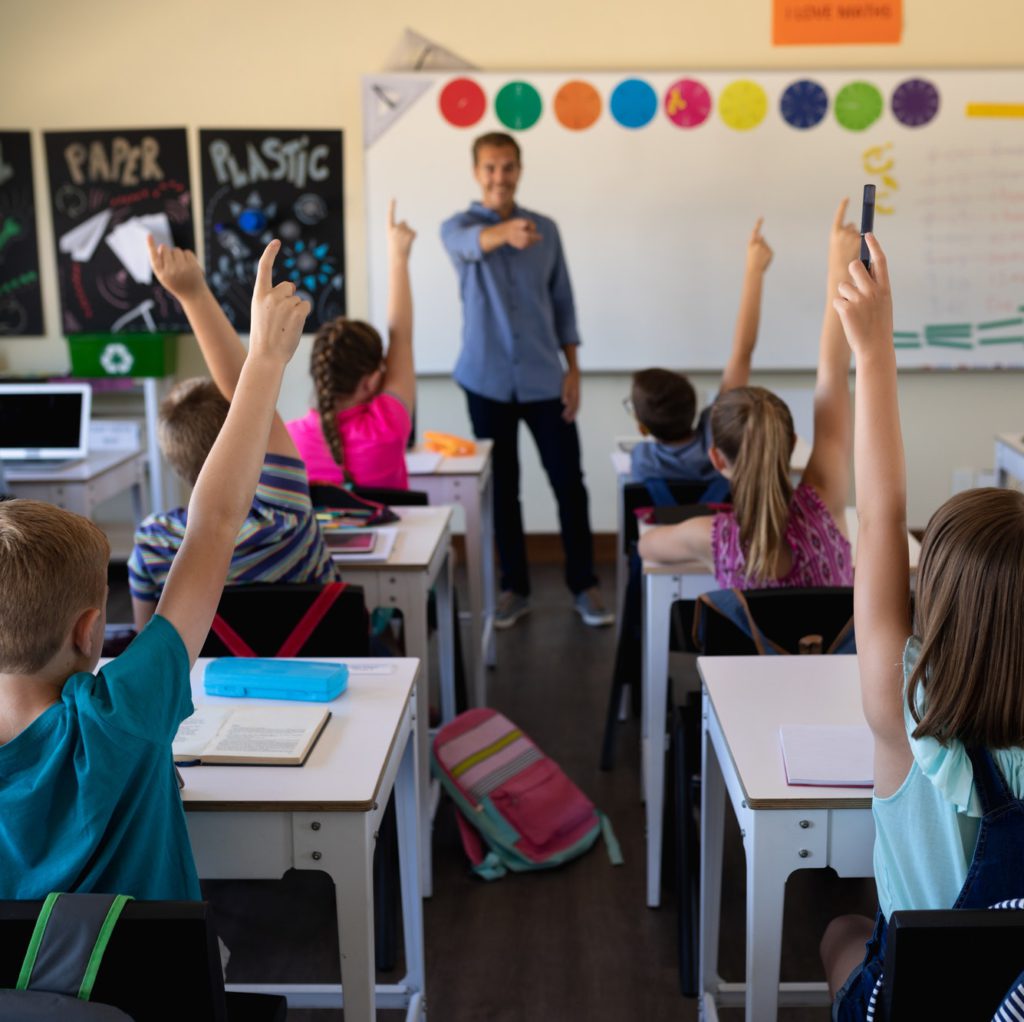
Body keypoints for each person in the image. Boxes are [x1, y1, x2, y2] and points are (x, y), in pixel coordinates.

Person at [0, 241, 309, 899]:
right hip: (155, 990)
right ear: (90, 631)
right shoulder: (124, 715)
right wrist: (265, 361)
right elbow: (215, 523)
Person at [820, 232, 1024, 1017]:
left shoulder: (905, 712)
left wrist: (873, 351)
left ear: (930, 589)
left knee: (841, 930)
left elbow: (878, 520)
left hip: (922, 1009)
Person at [638, 199, 860, 590]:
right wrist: (840, 268)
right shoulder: (825, 502)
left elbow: (646, 547)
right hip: (840, 654)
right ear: (791, 445)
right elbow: (833, 373)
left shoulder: (712, 537)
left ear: (716, 457)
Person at [441, 131, 612, 629]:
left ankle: (585, 585)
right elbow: (469, 243)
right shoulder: (457, 226)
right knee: (503, 490)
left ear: (519, 170)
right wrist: (504, 233)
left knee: (569, 485)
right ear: (477, 172)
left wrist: (573, 368)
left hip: (544, 377)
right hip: (485, 380)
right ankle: (515, 587)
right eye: (490, 167)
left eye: (508, 167)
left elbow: (563, 302)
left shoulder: (547, 231)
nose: (499, 176)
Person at [128, 237, 337, 631]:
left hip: (208, 693)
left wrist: (189, 293)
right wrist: (194, 293)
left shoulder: (153, 544)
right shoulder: (286, 511)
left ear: (177, 460)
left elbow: (146, 645)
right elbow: (239, 383)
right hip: (316, 684)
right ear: (250, 426)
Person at [628, 217, 773, 491]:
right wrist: (754, 271)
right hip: (724, 533)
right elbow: (743, 352)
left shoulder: (642, 460)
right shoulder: (719, 438)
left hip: (667, 534)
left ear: (642, 429)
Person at [286, 200, 416, 489]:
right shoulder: (387, 427)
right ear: (370, 383)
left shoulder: (287, 440)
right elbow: (402, 336)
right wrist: (399, 257)